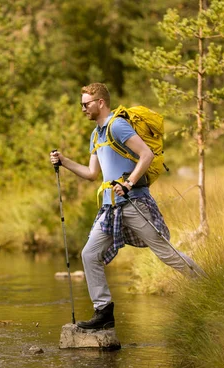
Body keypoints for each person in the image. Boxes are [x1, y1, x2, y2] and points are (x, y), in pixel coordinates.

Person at [49, 83, 206, 331]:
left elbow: (146, 155)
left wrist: (129, 183)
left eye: (86, 104)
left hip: (134, 203)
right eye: (81, 104)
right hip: (111, 208)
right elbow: (92, 174)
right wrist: (64, 161)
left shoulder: (118, 125)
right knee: (89, 254)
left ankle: (207, 284)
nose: (83, 108)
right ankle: (104, 312)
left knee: (166, 253)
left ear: (100, 102)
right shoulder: (96, 135)